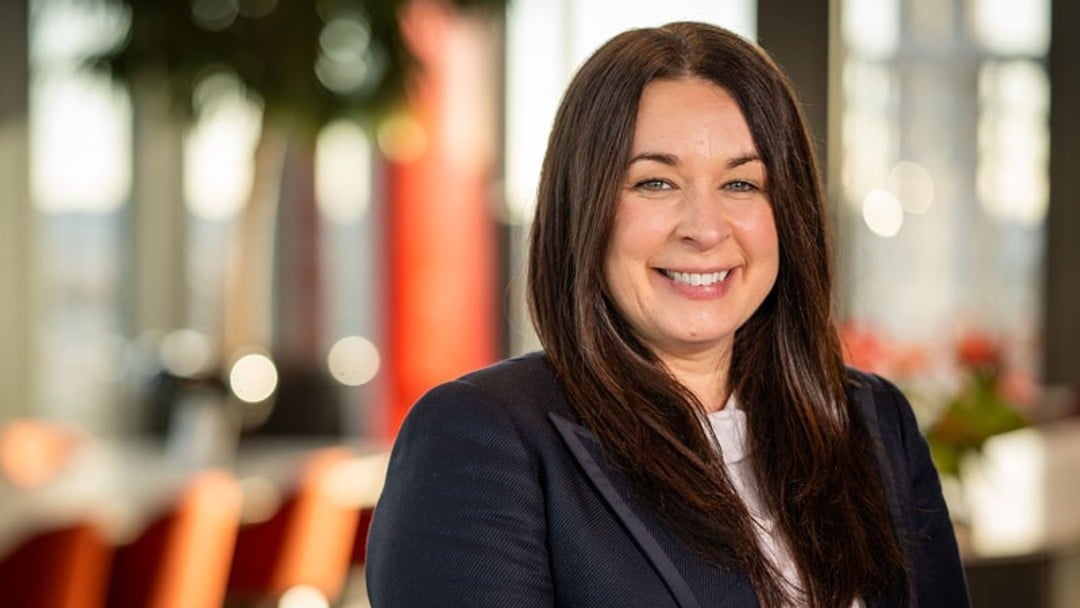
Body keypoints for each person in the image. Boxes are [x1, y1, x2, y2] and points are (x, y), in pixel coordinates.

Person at [366, 21, 969, 608]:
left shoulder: (871, 423)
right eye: (655, 183)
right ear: (584, 206)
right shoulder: (482, 439)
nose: (705, 230)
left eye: (742, 184)